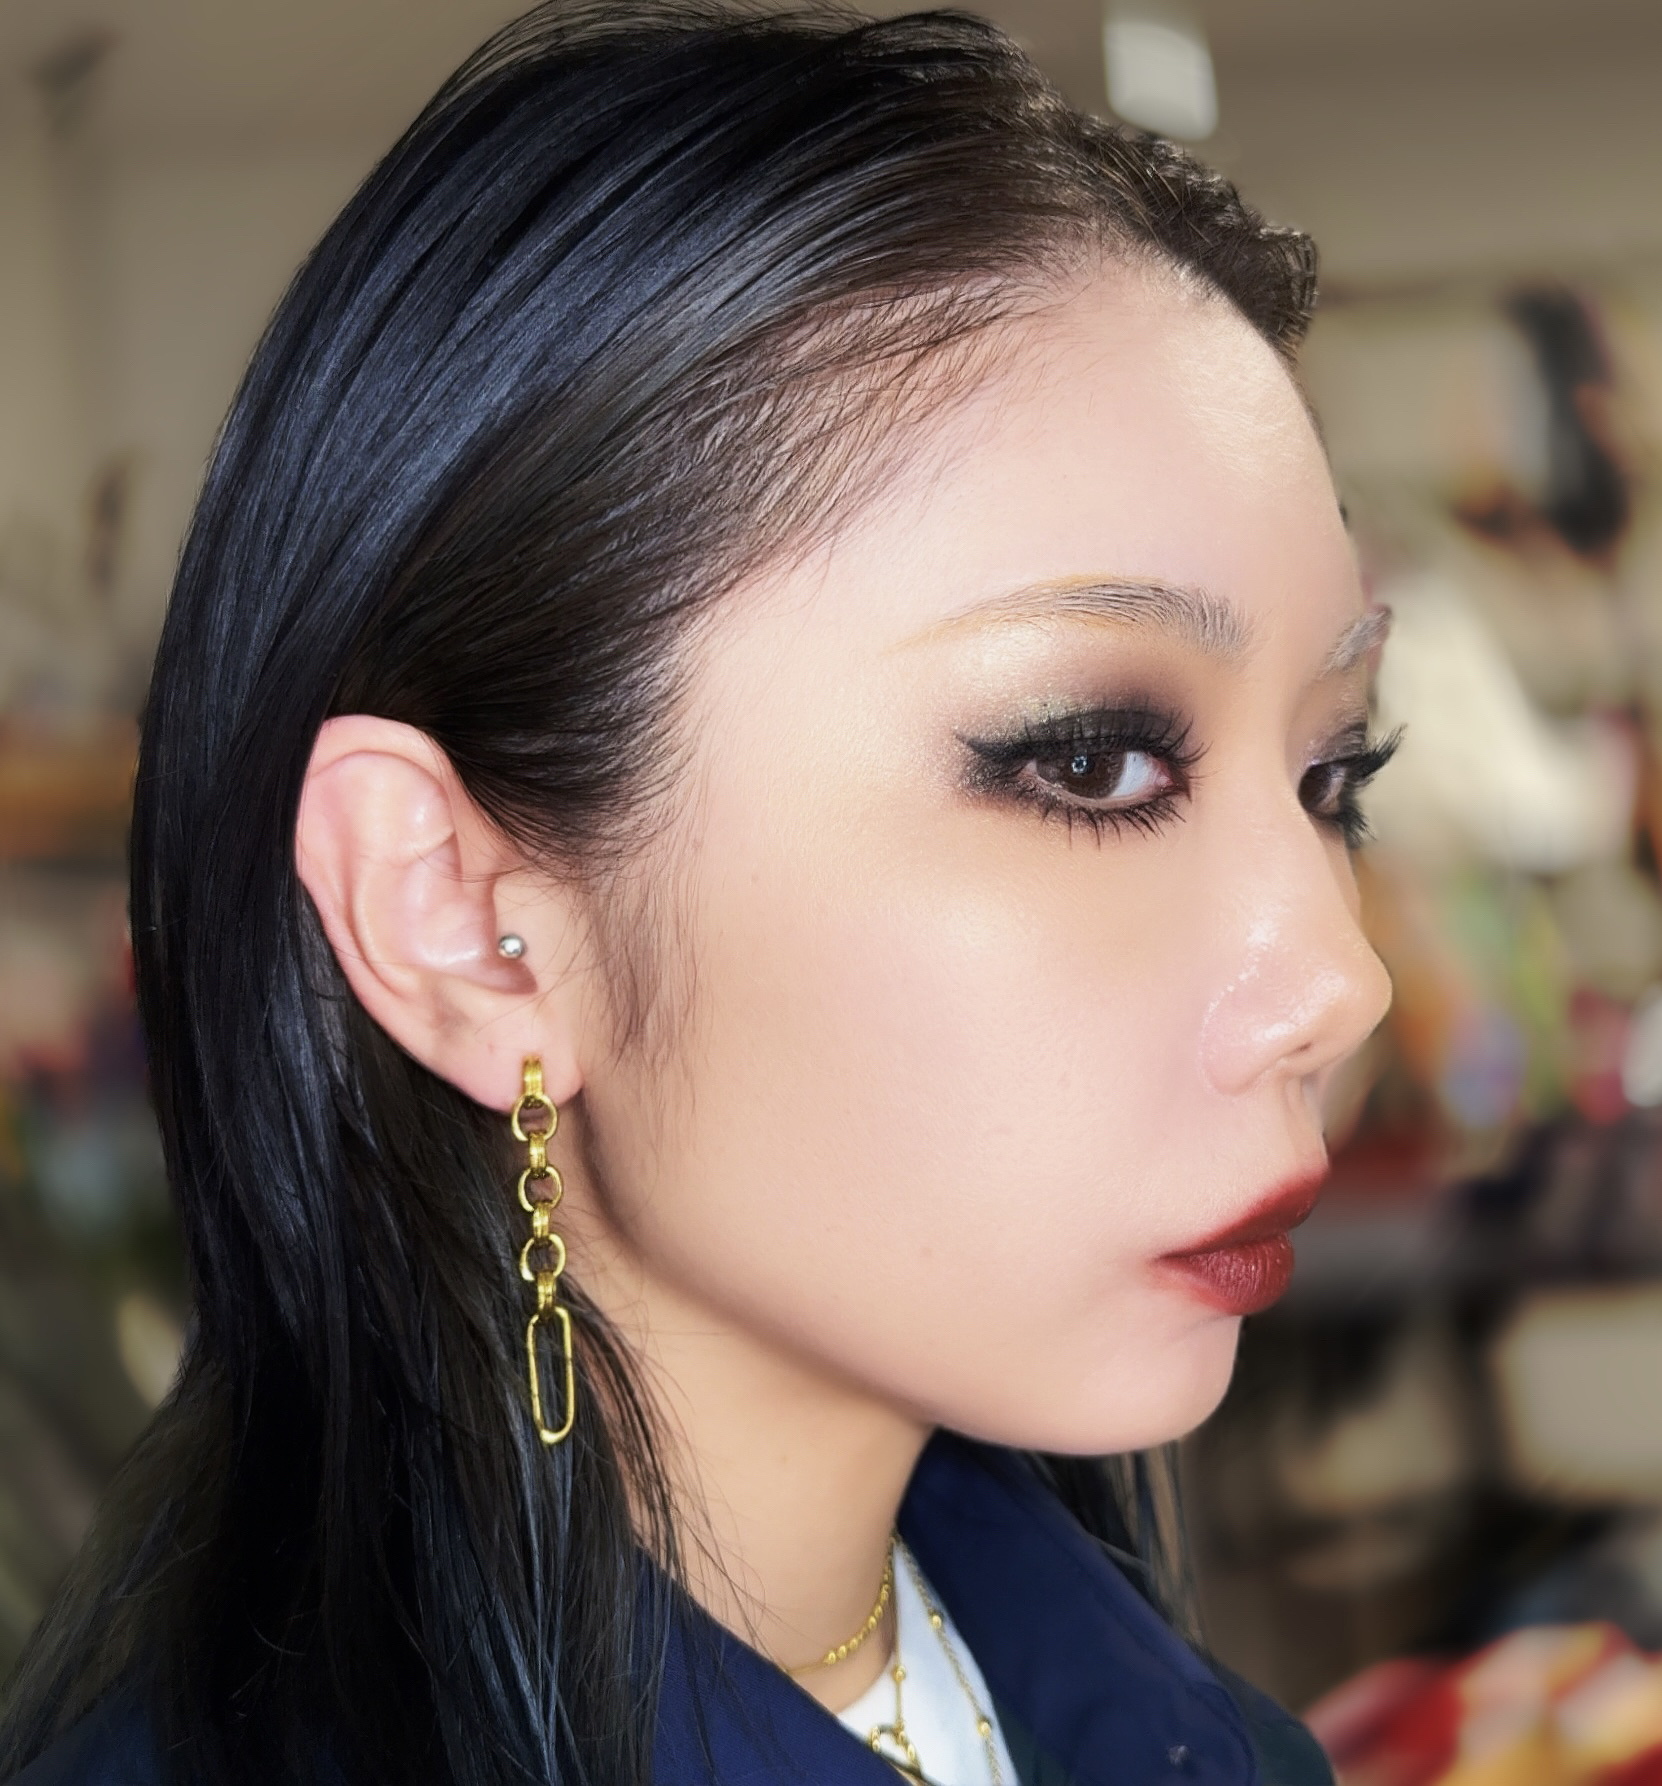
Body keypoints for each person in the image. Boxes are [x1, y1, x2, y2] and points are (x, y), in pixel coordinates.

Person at [0, 3, 1395, 1781]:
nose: (1336, 979)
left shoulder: (1192, 1734)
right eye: (1089, 761)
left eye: (1332, 775)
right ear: (463, 916)